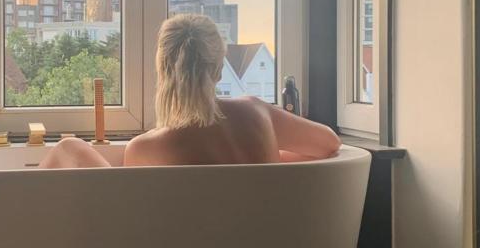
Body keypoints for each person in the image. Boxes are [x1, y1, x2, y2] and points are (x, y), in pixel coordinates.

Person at [39, 14, 340, 169]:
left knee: (69, 148)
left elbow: (134, 215)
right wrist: (269, 157)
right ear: (219, 70)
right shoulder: (258, 114)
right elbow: (328, 143)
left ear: (162, 70)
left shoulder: (145, 149)